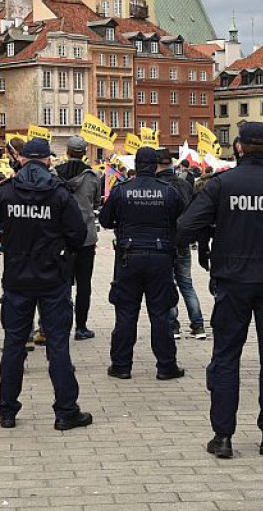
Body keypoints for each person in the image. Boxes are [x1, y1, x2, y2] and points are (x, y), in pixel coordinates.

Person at [177, 122, 263, 459]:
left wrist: (216, 230)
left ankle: (223, 436)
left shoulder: (221, 184)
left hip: (232, 282)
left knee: (225, 358)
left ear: (238, 146)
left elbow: (184, 227)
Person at [0, 138, 92, 430]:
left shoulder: (8, 189)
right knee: (57, 344)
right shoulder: (59, 193)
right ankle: (66, 412)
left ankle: (7, 411)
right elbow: (79, 234)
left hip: (17, 277)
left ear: (23, 159)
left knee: (13, 345)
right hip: (52, 276)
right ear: (47, 160)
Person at [99, 147, 186, 380]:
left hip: (129, 256)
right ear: (156, 164)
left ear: (137, 165)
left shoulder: (122, 190)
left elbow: (106, 221)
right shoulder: (168, 191)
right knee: (160, 313)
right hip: (160, 257)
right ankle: (166, 366)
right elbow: (182, 219)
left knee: (126, 313)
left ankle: (121, 366)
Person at [155, 148, 205, 341]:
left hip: (165, 240)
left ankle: (173, 325)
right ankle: (198, 324)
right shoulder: (184, 184)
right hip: (183, 240)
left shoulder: (158, 185)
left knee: (169, 283)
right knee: (187, 284)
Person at [55, 136, 101, 340]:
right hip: (86, 237)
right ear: (84, 153)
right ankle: (81, 327)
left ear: (67, 151)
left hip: (61, 236)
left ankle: (59, 324)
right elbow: (96, 203)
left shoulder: (55, 175)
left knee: (60, 282)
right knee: (84, 284)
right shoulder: (93, 177)